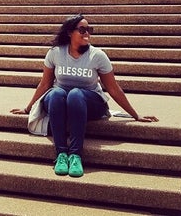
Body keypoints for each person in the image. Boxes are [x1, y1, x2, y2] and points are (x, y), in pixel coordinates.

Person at [11, 14, 158, 178]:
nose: (87, 33)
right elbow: (44, 84)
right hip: (58, 102)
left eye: (89, 29)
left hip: (89, 102)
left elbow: (114, 88)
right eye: (82, 29)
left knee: (75, 94)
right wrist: (27, 108)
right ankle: (61, 154)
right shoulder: (55, 53)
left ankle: (75, 156)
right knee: (57, 92)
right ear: (69, 33)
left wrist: (136, 115)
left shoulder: (97, 56)